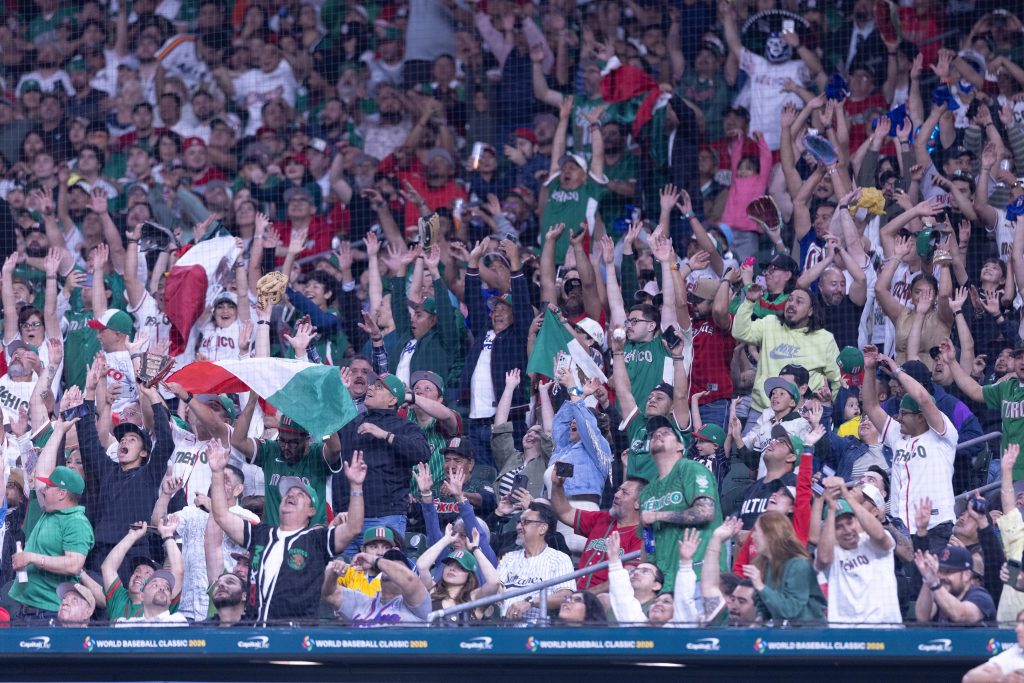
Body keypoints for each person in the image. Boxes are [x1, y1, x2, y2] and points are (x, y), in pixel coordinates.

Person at [208, 438, 366, 625]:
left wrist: (356, 487)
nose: (291, 494)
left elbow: (353, 527)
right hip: (255, 633)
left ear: (311, 511)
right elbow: (221, 516)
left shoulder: (317, 540)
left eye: (300, 494)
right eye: (289, 492)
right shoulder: (261, 534)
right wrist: (217, 473)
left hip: (295, 637)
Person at [861, 345, 958, 551]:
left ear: (921, 417)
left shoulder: (943, 434)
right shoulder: (897, 434)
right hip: (901, 527)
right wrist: (869, 369)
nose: (898, 417)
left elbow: (923, 398)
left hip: (935, 525)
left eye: (904, 413)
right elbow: (870, 406)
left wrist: (897, 371)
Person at [9, 417, 93, 623]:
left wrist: (32, 558)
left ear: (62, 493)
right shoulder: (48, 509)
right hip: (24, 608)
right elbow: (40, 473)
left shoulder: (76, 522)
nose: (44, 488)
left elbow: (74, 565)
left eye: (50, 486)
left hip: (47, 612)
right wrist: (59, 431)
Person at [334, 372, 430, 537]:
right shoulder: (355, 422)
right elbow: (330, 441)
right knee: (346, 564)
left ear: (393, 400)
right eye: (372, 385)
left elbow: (422, 452)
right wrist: (340, 393)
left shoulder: (405, 427)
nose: (370, 387)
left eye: (379, 387)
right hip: (348, 517)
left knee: (381, 563)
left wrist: (387, 435)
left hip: (386, 517)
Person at [639, 414, 722, 592]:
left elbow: (705, 512)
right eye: (654, 434)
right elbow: (647, 542)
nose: (658, 435)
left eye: (667, 432)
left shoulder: (691, 468)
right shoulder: (647, 492)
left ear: (680, 446)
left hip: (700, 577)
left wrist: (658, 516)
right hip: (665, 583)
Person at [815, 477, 901, 625]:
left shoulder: (873, 541)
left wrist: (847, 495)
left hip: (884, 628)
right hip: (846, 635)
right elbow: (823, 560)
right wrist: (830, 508)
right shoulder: (830, 550)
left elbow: (880, 535)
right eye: (839, 526)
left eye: (849, 522)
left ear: (857, 520)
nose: (847, 530)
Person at [743, 510, 826, 624]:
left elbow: (791, 610)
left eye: (756, 531)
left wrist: (760, 586)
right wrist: (760, 619)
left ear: (770, 535)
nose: (752, 536)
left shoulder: (799, 565)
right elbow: (764, 604)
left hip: (808, 637)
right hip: (782, 634)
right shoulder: (764, 564)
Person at [498, 502, 576, 620]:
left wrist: (531, 602)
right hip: (502, 628)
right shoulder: (508, 558)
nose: (519, 527)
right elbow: (496, 591)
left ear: (542, 528)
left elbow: (565, 596)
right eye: (519, 522)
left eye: (526, 522)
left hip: (538, 630)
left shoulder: (559, 559)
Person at [914, 544, 996, 625]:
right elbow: (922, 618)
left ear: (966, 575)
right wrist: (928, 578)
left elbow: (960, 615)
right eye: (940, 570)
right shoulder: (940, 592)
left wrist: (934, 583)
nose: (942, 576)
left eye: (948, 572)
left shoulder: (981, 597)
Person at [962, 608, 1024, 682]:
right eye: (1018, 624)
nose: (1018, 629)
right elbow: (968, 678)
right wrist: (1003, 679)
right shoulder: (1014, 653)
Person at [114, 569, 189, 627]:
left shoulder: (177, 621)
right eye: (155, 585)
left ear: (170, 600)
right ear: (142, 596)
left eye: (167, 588)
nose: (162, 588)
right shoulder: (129, 623)